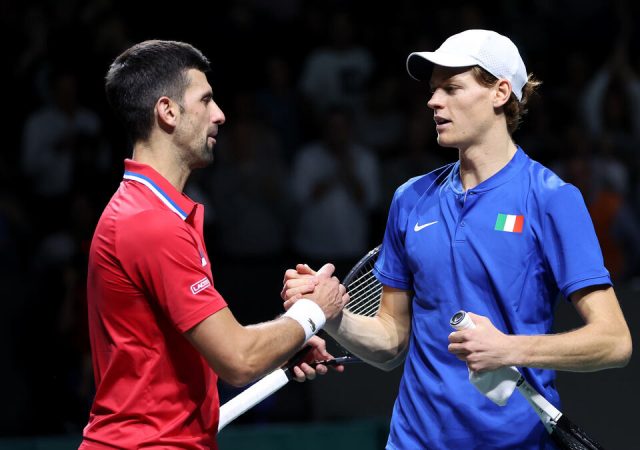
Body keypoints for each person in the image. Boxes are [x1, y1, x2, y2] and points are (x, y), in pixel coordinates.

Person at [283, 29, 632, 449]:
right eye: (433, 90)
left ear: (500, 92)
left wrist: (508, 349)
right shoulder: (410, 198)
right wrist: (332, 313)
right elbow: (391, 340)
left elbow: (614, 341)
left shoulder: (551, 199)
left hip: (514, 442)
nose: (433, 102)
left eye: (451, 88)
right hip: (413, 440)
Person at [79, 40, 348, 450]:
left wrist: (284, 343)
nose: (220, 115)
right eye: (205, 100)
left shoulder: (150, 211)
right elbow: (238, 360)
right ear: (167, 111)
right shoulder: (151, 223)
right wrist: (314, 312)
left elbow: (219, 348)